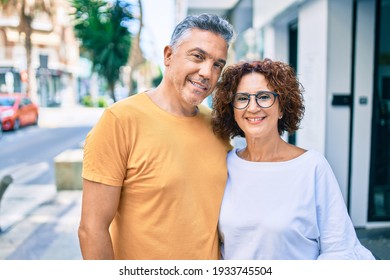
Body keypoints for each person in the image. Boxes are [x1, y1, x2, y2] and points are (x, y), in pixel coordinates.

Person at [78, 14, 235, 260]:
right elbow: (92, 230)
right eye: (198, 56)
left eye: (218, 65)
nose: (207, 72)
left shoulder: (218, 128)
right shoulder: (119, 121)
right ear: (168, 56)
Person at [212, 59, 375, 260]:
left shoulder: (311, 167)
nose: (252, 107)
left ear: (282, 108)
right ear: (233, 109)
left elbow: (339, 249)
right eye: (242, 98)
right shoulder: (225, 164)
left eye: (264, 97)